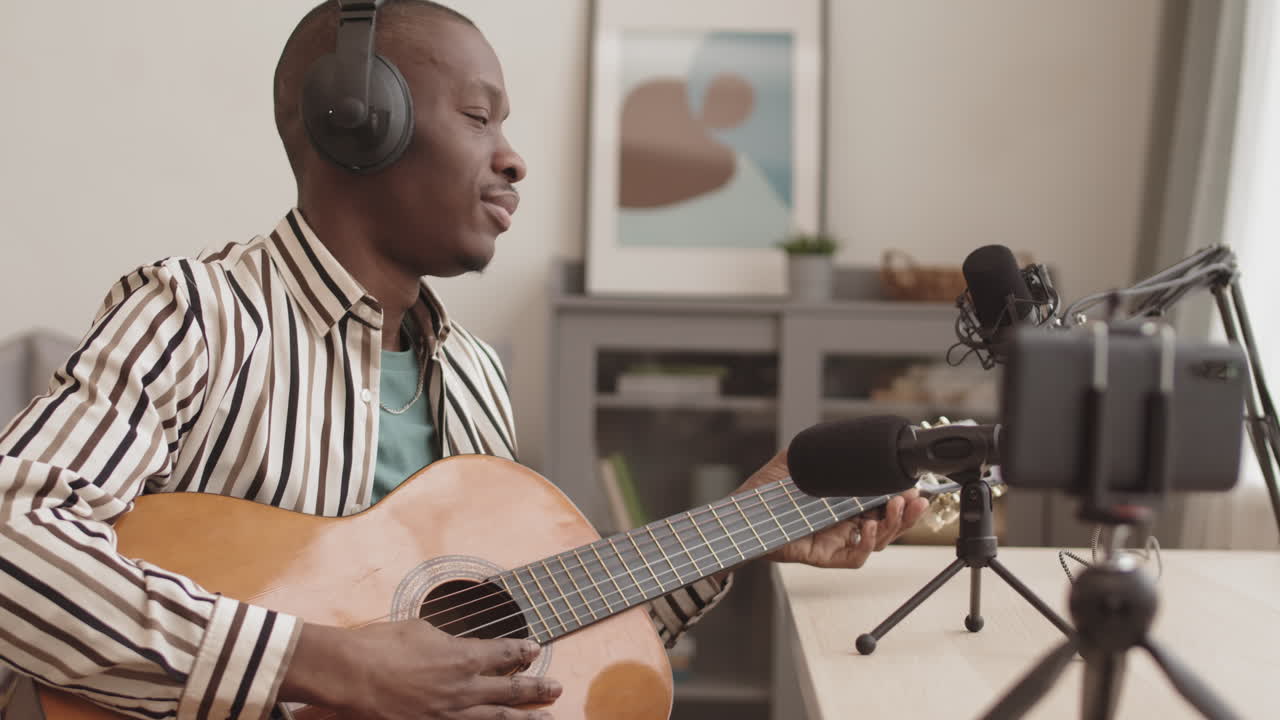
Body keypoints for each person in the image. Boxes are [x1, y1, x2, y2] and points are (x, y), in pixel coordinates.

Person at [0, 2, 929, 719]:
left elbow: (526, 644)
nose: (514, 160)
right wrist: (321, 662)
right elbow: (13, 538)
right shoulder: (197, 314)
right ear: (360, 122)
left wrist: (749, 528)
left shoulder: (476, 376)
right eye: (481, 117)